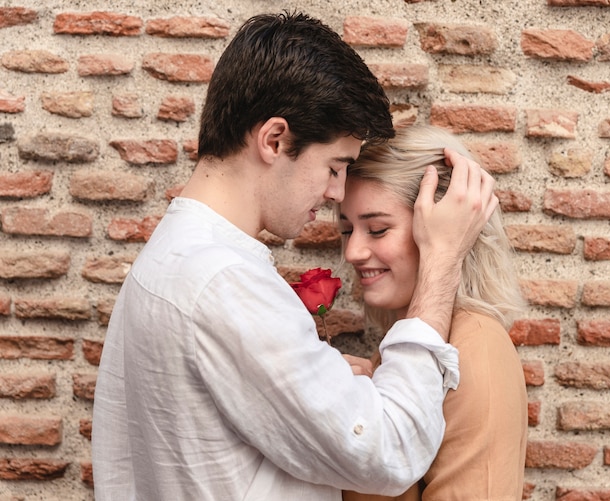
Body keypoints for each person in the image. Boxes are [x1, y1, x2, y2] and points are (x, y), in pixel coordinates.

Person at [91, 12, 498, 501]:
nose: (335, 192)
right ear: (274, 140)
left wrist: (320, 386)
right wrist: (442, 260)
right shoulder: (225, 284)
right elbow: (389, 451)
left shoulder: (166, 260)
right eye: (334, 166)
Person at [339, 125, 528, 501]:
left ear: (445, 229)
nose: (353, 252)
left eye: (377, 229)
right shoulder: (405, 347)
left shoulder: (475, 349)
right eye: (347, 230)